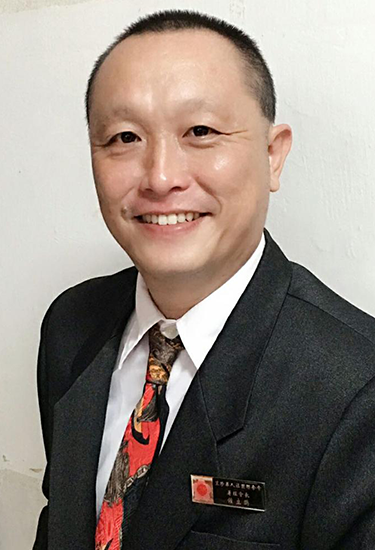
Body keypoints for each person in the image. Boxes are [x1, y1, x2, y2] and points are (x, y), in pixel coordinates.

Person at [33, 9, 375, 550]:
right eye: (124, 137)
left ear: (273, 156)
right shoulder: (70, 325)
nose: (161, 177)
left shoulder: (356, 386)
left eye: (200, 131)